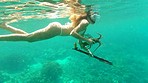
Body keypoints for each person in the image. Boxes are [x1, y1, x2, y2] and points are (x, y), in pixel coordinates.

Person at [0, 11, 97, 45]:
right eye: (94, 16)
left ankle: (6, 26)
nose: (96, 18)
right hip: (56, 30)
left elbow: (80, 38)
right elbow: (73, 33)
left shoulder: (84, 23)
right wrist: (87, 40)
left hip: (56, 28)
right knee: (28, 38)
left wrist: (84, 45)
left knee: (29, 38)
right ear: (88, 16)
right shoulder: (85, 22)